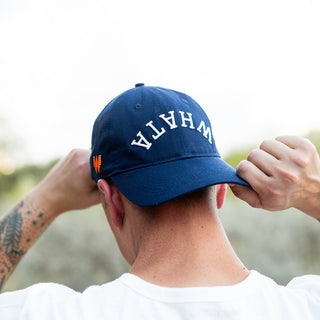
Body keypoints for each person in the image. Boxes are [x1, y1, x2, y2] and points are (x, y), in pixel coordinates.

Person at [0, 84, 320, 319]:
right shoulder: (305, 306)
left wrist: (47, 198)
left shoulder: (50, 312)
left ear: (112, 202)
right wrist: (312, 193)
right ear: (221, 191)